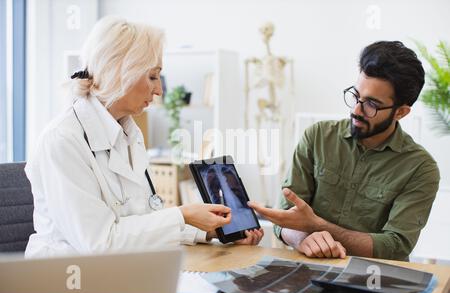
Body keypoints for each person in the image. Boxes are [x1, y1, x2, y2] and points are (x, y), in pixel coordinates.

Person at [25, 16, 262, 258]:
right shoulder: (62, 140)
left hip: (126, 270)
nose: (159, 90)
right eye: (152, 76)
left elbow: (143, 221)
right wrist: (183, 214)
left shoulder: (129, 132)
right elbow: (100, 242)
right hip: (70, 281)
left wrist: (208, 231)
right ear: (120, 71)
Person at [249, 41, 440, 261]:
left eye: (371, 105)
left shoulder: (420, 168)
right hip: (307, 270)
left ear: (401, 112)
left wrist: (317, 226)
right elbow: (285, 219)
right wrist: (303, 239)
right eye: (355, 96)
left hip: (373, 280)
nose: (356, 110)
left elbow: (395, 246)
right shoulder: (318, 136)